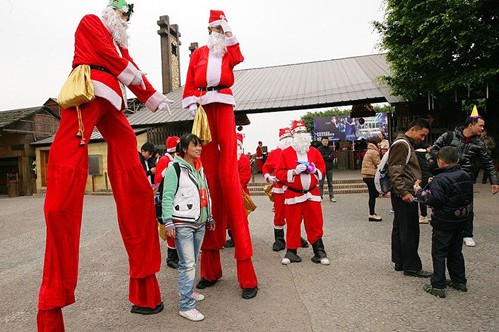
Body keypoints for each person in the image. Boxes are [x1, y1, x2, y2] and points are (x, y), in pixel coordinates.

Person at [37, 2, 172, 330]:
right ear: (111, 10)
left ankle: (144, 289)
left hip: (112, 103)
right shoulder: (91, 23)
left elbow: (126, 62)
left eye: (128, 16)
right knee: (63, 188)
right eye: (123, 12)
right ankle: (52, 305)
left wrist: (155, 96)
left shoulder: (118, 43)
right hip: (87, 93)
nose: (125, 19)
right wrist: (147, 92)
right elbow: (116, 62)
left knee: (135, 183)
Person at [182, 9, 258, 299]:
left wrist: (228, 31)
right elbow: (190, 79)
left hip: (224, 105)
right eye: (212, 26)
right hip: (202, 106)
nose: (215, 29)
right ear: (207, 28)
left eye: (219, 25)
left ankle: (247, 275)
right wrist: (190, 101)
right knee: (209, 181)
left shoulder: (227, 51)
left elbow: (239, 56)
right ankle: (210, 271)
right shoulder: (199, 52)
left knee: (227, 178)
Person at [161, 134, 215, 321]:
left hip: (199, 222)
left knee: (191, 262)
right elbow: (167, 196)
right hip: (182, 223)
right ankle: (186, 305)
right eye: (195, 146)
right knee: (187, 264)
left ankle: (188, 293)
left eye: (200, 145)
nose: (199, 148)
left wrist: (210, 215)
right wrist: (168, 221)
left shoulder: (199, 168)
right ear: (184, 148)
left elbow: (204, 192)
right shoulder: (174, 168)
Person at [431, 114, 499, 247]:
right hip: (445, 176)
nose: (482, 128)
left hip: (465, 178)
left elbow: (488, 162)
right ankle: (445, 229)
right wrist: (446, 161)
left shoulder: (479, 143)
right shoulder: (448, 136)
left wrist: (494, 181)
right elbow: (434, 150)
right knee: (443, 203)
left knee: (468, 206)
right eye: (480, 125)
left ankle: (467, 234)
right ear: (470, 125)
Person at [414, 146, 473, 298]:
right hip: (460, 219)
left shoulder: (441, 179)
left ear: (440, 162)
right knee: (456, 252)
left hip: (444, 222)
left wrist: (419, 191)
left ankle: (438, 285)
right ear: (457, 160)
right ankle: (459, 281)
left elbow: (435, 200)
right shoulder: (465, 175)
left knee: (439, 252)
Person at [276, 120, 330, 265]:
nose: (301, 135)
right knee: (293, 223)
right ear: (293, 135)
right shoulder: (285, 153)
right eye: (298, 132)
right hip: (293, 194)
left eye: (303, 132)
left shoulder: (314, 151)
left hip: (312, 194)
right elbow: (279, 173)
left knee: (315, 222)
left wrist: (314, 170)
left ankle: (319, 251)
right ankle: (291, 252)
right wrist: (293, 172)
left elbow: (322, 168)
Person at [389, 118, 432, 278]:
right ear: (413, 129)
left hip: (402, 192)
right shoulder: (402, 144)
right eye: (422, 135)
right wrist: (404, 192)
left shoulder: (403, 142)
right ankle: (412, 266)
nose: (422, 138)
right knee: (410, 230)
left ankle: (400, 261)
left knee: (400, 228)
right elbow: (395, 170)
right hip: (405, 193)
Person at [263, 128, 309, 251]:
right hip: (279, 189)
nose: (287, 141)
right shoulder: (274, 153)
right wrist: (269, 176)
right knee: (279, 214)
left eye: (289, 138)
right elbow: (266, 167)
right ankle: (279, 240)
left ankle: (295, 237)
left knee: (295, 215)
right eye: (285, 138)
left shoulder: (296, 152)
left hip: (293, 188)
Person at [154, 136, 180, 269]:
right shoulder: (165, 160)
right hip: (168, 198)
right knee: (170, 229)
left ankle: (177, 255)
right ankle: (171, 257)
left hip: (178, 198)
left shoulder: (175, 159)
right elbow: (158, 179)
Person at [225, 133, 251, 248]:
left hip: (240, 192)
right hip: (227, 192)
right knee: (228, 217)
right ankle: (233, 237)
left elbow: (245, 176)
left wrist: (232, 186)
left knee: (240, 217)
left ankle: (240, 238)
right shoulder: (224, 157)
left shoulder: (243, 159)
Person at [361, 136, 382, 221]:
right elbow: (379, 164)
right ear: (376, 143)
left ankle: (372, 212)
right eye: (379, 143)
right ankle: (372, 214)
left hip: (367, 175)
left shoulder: (369, 150)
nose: (380, 144)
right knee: (373, 195)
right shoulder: (374, 152)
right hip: (370, 175)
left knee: (373, 194)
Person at [415, 141, 431, 224]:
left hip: (418, 177)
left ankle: (423, 215)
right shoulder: (428, 155)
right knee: (428, 195)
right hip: (428, 176)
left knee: (421, 195)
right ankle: (425, 215)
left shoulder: (414, 155)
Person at [317, 136, 337, 202]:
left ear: (328, 141)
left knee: (330, 183)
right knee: (321, 184)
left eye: (326, 141)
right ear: (321, 141)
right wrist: (327, 156)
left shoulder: (331, 149)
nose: (325, 142)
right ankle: (320, 196)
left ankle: (331, 197)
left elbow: (332, 157)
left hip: (329, 168)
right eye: (324, 141)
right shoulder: (319, 149)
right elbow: (319, 158)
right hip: (321, 169)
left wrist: (325, 157)